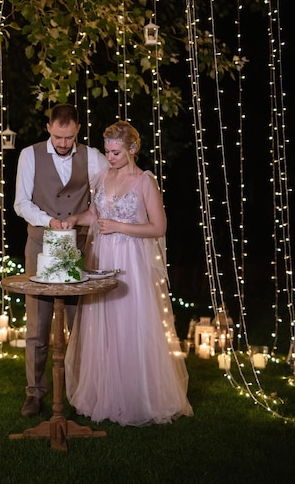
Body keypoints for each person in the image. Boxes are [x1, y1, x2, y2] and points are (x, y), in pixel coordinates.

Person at [63, 120, 193, 426]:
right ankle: (106, 395)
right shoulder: (103, 177)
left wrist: (120, 226)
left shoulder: (144, 181)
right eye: (107, 151)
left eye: (116, 152)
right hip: (103, 256)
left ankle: (138, 397)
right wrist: (73, 219)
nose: (110, 157)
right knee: (103, 324)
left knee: (130, 324)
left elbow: (159, 227)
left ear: (132, 149)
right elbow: (95, 215)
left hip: (131, 261)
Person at [14, 103, 110, 417]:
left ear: (78, 130)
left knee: (79, 327)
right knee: (38, 327)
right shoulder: (29, 155)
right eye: (58, 136)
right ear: (49, 128)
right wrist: (48, 220)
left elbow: (108, 196)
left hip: (79, 251)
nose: (63, 143)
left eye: (69, 137)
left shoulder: (94, 158)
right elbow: (21, 202)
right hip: (40, 246)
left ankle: (78, 392)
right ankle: (34, 393)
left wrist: (86, 218)